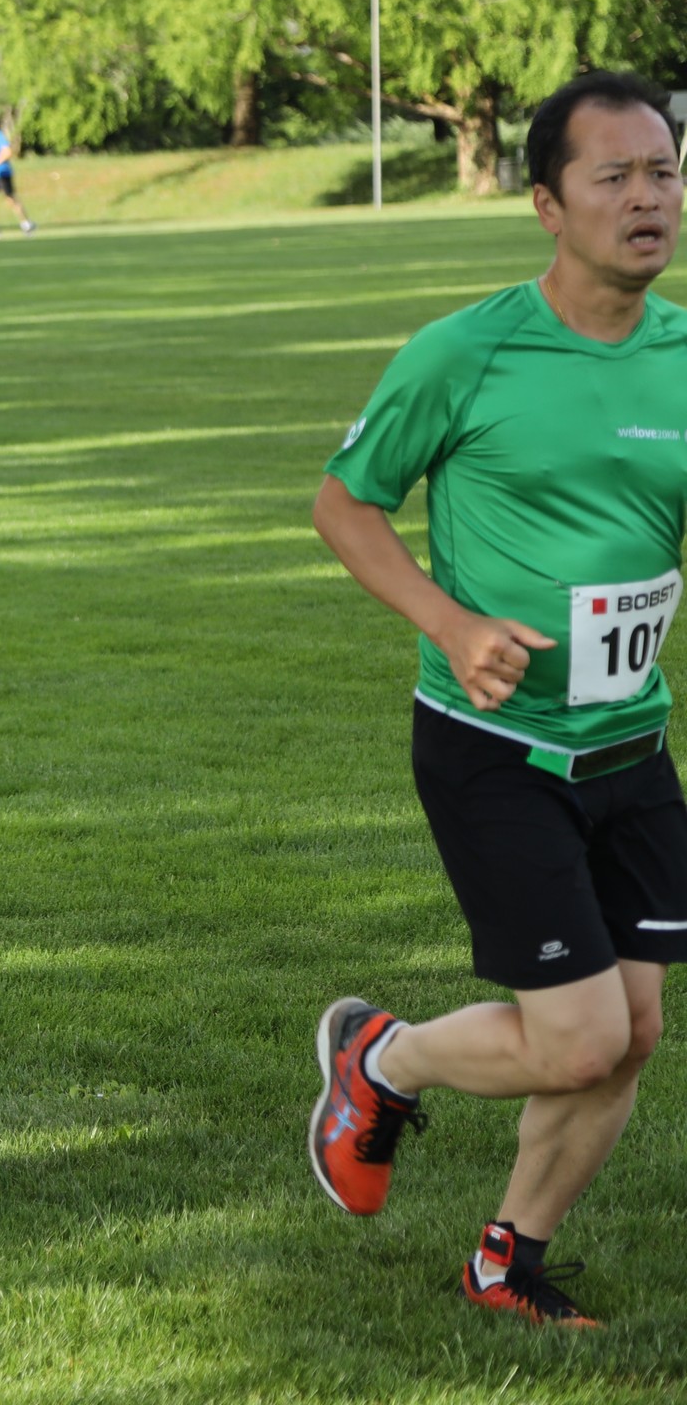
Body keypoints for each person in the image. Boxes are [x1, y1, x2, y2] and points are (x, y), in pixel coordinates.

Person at [308, 70, 686, 1328]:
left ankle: (506, 1260)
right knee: (578, 1037)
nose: (647, 197)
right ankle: (382, 1057)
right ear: (548, 204)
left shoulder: (685, 356)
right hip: (496, 746)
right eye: (614, 176)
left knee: (634, 1029)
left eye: (664, 171)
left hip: (632, 746)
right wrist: (452, 622)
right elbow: (345, 504)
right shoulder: (464, 352)